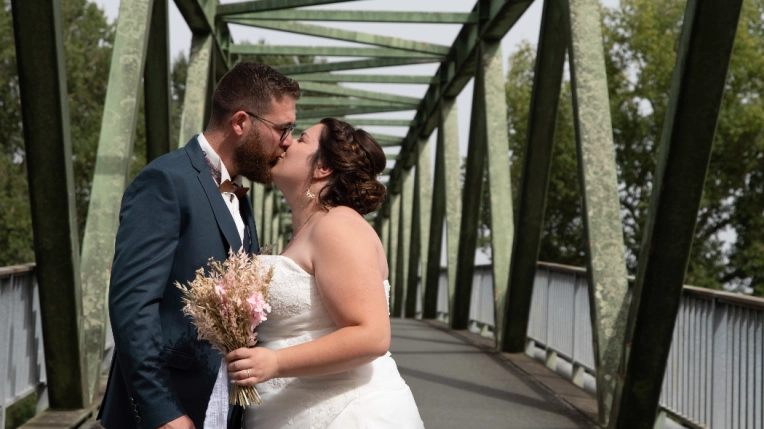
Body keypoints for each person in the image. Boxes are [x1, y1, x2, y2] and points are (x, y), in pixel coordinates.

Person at [97, 62, 300, 429]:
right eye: (283, 128)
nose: (288, 141)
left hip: (223, 405)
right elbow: (132, 307)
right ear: (240, 122)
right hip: (172, 410)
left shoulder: (240, 194)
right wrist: (162, 412)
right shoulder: (166, 181)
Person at [224, 118, 425, 428]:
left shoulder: (338, 226)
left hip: (348, 414)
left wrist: (275, 362)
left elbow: (372, 335)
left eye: (302, 139)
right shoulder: (311, 230)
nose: (287, 142)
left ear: (322, 168)